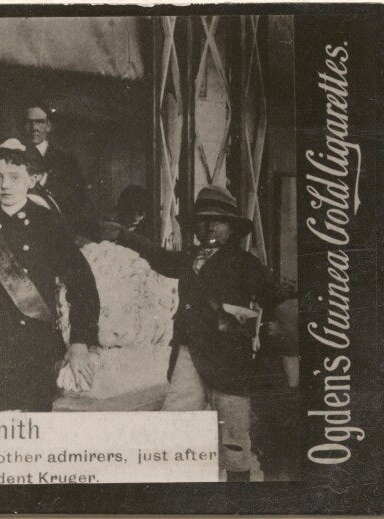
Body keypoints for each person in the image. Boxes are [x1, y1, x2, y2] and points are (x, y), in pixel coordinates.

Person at [104, 184, 280, 481]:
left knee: (234, 437)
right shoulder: (187, 259)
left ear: (232, 228)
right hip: (189, 352)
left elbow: (274, 302)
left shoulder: (246, 264)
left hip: (230, 363)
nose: (210, 226)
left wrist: (267, 335)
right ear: (195, 226)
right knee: (176, 423)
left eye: (219, 220)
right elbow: (157, 256)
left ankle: (242, 504)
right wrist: (124, 236)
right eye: (203, 219)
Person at [0, 138, 100, 412]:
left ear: (31, 180)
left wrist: (80, 341)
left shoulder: (48, 224)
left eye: (14, 176)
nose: (5, 185)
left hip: (36, 353)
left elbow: (83, 284)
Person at [21, 100, 100, 242]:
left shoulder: (67, 159)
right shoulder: (15, 156)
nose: (34, 128)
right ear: (23, 126)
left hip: (63, 231)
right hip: (27, 231)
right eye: (29, 122)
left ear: (48, 126)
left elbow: (78, 200)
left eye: (39, 122)